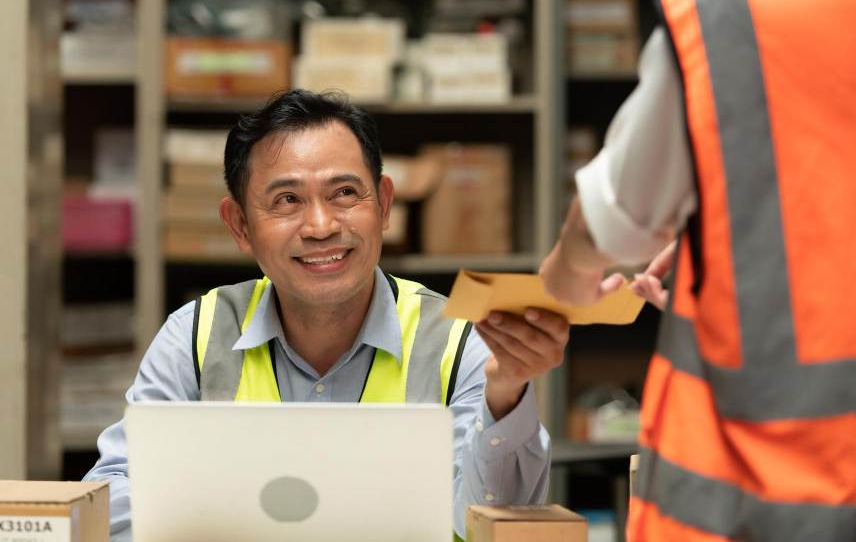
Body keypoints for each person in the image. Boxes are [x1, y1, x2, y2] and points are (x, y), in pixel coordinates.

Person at [86, 89, 569, 541]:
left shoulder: (461, 340)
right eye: (287, 200)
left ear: (382, 204)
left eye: (343, 193)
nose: (320, 227)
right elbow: (107, 499)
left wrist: (505, 395)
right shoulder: (195, 335)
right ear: (240, 225)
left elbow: (496, 525)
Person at [540, 0, 856, 541]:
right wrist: (714, 234)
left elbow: (613, 216)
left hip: (762, 505)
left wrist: (567, 274)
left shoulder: (734, 12)